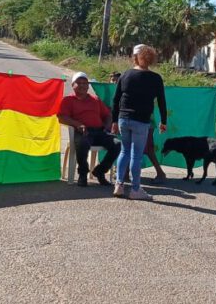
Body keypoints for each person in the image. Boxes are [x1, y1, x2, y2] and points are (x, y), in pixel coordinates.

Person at [111, 44, 167, 201]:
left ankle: (119, 185)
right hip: (141, 121)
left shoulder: (126, 75)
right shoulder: (156, 78)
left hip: (123, 119)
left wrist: (114, 120)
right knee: (136, 155)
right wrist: (163, 121)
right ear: (151, 59)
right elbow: (162, 101)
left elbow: (116, 100)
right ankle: (135, 189)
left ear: (135, 57)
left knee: (124, 151)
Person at [57, 72, 121, 187]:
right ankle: (82, 174)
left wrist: (107, 126)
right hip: (82, 132)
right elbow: (62, 117)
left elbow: (108, 115)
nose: (82, 86)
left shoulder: (95, 99)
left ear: (88, 86)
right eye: (79, 83)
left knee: (117, 144)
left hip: (100, 132)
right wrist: (77, 124)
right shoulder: (68, 100)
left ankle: (100, 171)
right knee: (82, 143)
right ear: (73, 85)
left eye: (85, 83)